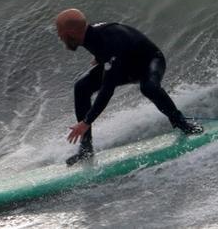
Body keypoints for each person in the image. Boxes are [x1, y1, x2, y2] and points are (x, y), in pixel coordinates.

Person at [55, 8, 203, 165]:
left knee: (149, 88)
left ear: (71, 32)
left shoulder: (105, 40)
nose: (59, 36)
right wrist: (100, 58)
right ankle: (86, 149)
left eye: (60, 32)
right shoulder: (89, 35)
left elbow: (107, 89)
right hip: (124, 66)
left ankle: (183, 124)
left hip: (149, 62)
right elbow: (113, 45)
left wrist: (86, 122)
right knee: (81, 87)